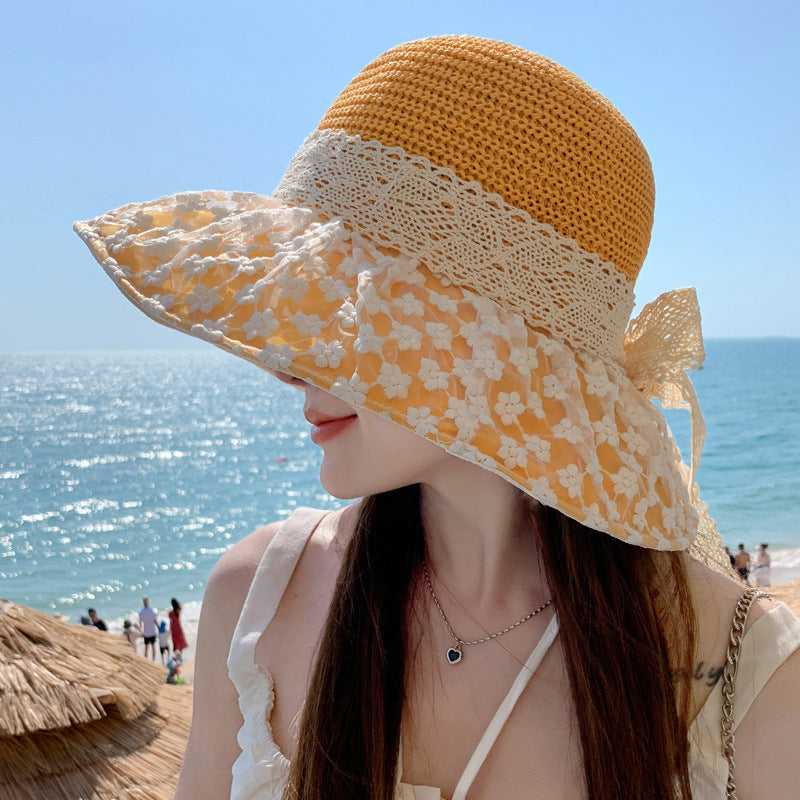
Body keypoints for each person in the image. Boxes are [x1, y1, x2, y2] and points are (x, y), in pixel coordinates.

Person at [76, 35, 800, 800]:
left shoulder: (740, 664)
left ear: (489, 347)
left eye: (352, 308)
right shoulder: (254, 597)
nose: (286, 362)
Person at [138, 596, 159, 661]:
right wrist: (159, 628)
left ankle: (146, 661)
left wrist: (141, 631)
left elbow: (140, 624)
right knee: (153, 648)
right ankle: (153, 661)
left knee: (146, 649)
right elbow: (155, 621)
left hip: (146, 632)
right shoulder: (152, 611)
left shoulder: (141, 612)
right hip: (152, 632)